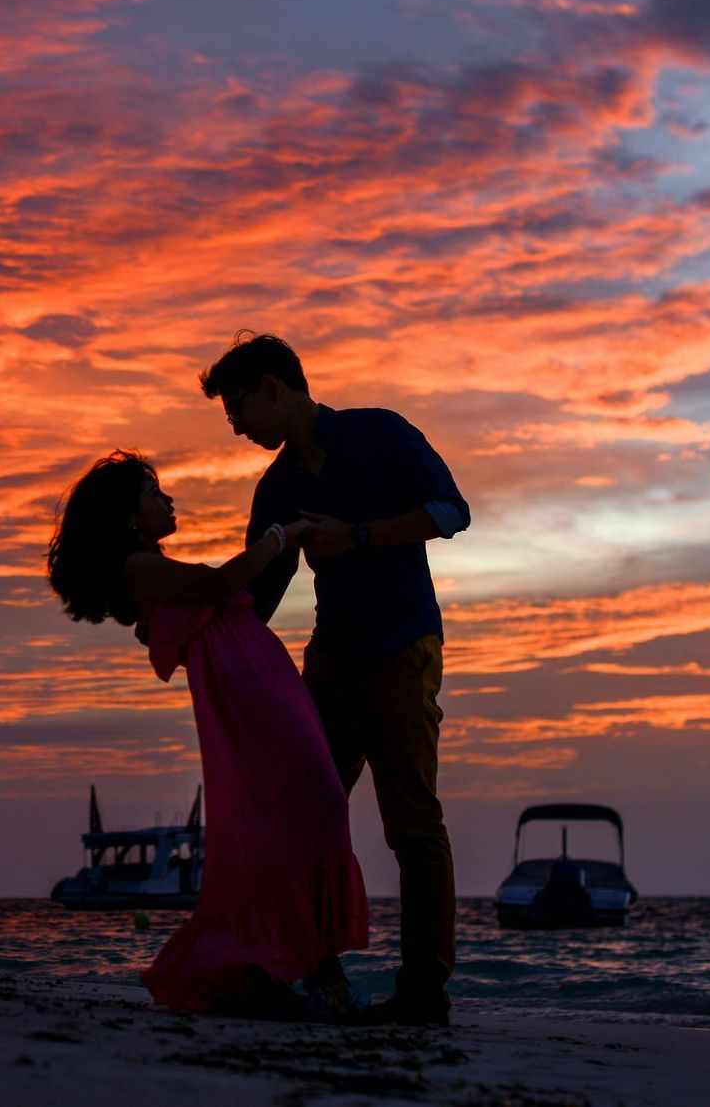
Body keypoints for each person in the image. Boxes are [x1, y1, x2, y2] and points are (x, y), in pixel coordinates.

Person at [199, 332, 470, 1027]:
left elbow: (451, 512)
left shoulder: (379, 434)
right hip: (328, 664)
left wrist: (355, 535)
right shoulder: (277, 488)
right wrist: (203, 636)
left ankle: (423, 994)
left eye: (238, 408)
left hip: (403, 649)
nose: (235, 426)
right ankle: (318, 978)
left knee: (412, 827)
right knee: (299, 817)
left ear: (274, 388)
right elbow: (262, 591)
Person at [47, 451, 368, 1018]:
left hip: (259, 680)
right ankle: (310, 974)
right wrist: (280, 535)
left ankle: (297, 970)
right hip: (247, 694)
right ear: (127, 515)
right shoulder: (138, 566)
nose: (166, 501)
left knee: (311, 808)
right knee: (313, 806)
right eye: (153, 494)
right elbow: (223, 581)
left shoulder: (149, 565)